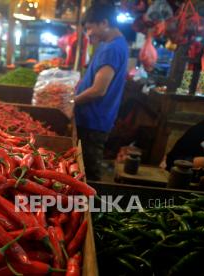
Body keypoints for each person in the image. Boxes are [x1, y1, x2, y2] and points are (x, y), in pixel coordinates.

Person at [74, 3, 129, 181]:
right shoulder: (113, 44)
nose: (88, 33)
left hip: (93, 121)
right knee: (86, 166)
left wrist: (70, 102)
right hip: (95, 118)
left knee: (88, 172)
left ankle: (92, 206)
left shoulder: (112, 49)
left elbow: (99, 90)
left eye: (90, 28)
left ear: (104, 23)